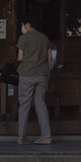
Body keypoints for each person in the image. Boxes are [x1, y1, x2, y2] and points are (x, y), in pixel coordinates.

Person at [16, 12, 52, 144]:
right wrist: (48, 72)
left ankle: (22, 136)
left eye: (22, 25)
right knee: (41, 104)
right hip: (42, 74)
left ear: (28, 25)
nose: (22, 27)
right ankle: (46, 135)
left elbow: (20, 58)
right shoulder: (44, 38)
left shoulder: (23, 38)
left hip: (26, 74)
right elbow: (49, 57)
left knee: (24, 104)